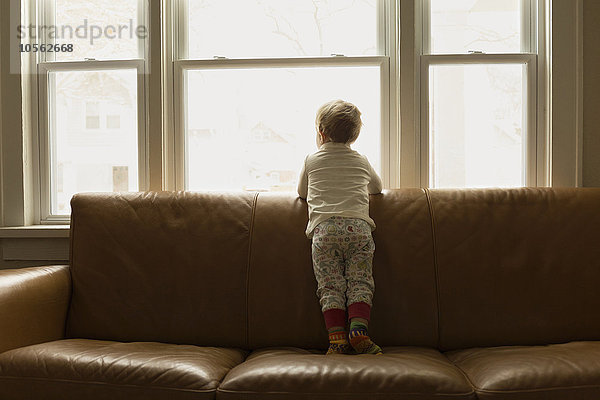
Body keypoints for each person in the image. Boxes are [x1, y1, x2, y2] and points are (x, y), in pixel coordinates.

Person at [297, 99, 383, 355]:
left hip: (324, 232)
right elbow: (377, 188)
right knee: (360, 281)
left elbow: (302, 192)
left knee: (330, 285)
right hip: (358, 229)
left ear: (321, 133)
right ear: (355, 136)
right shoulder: (361, 160)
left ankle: (337, 340)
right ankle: (358, 332)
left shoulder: (312, 160)